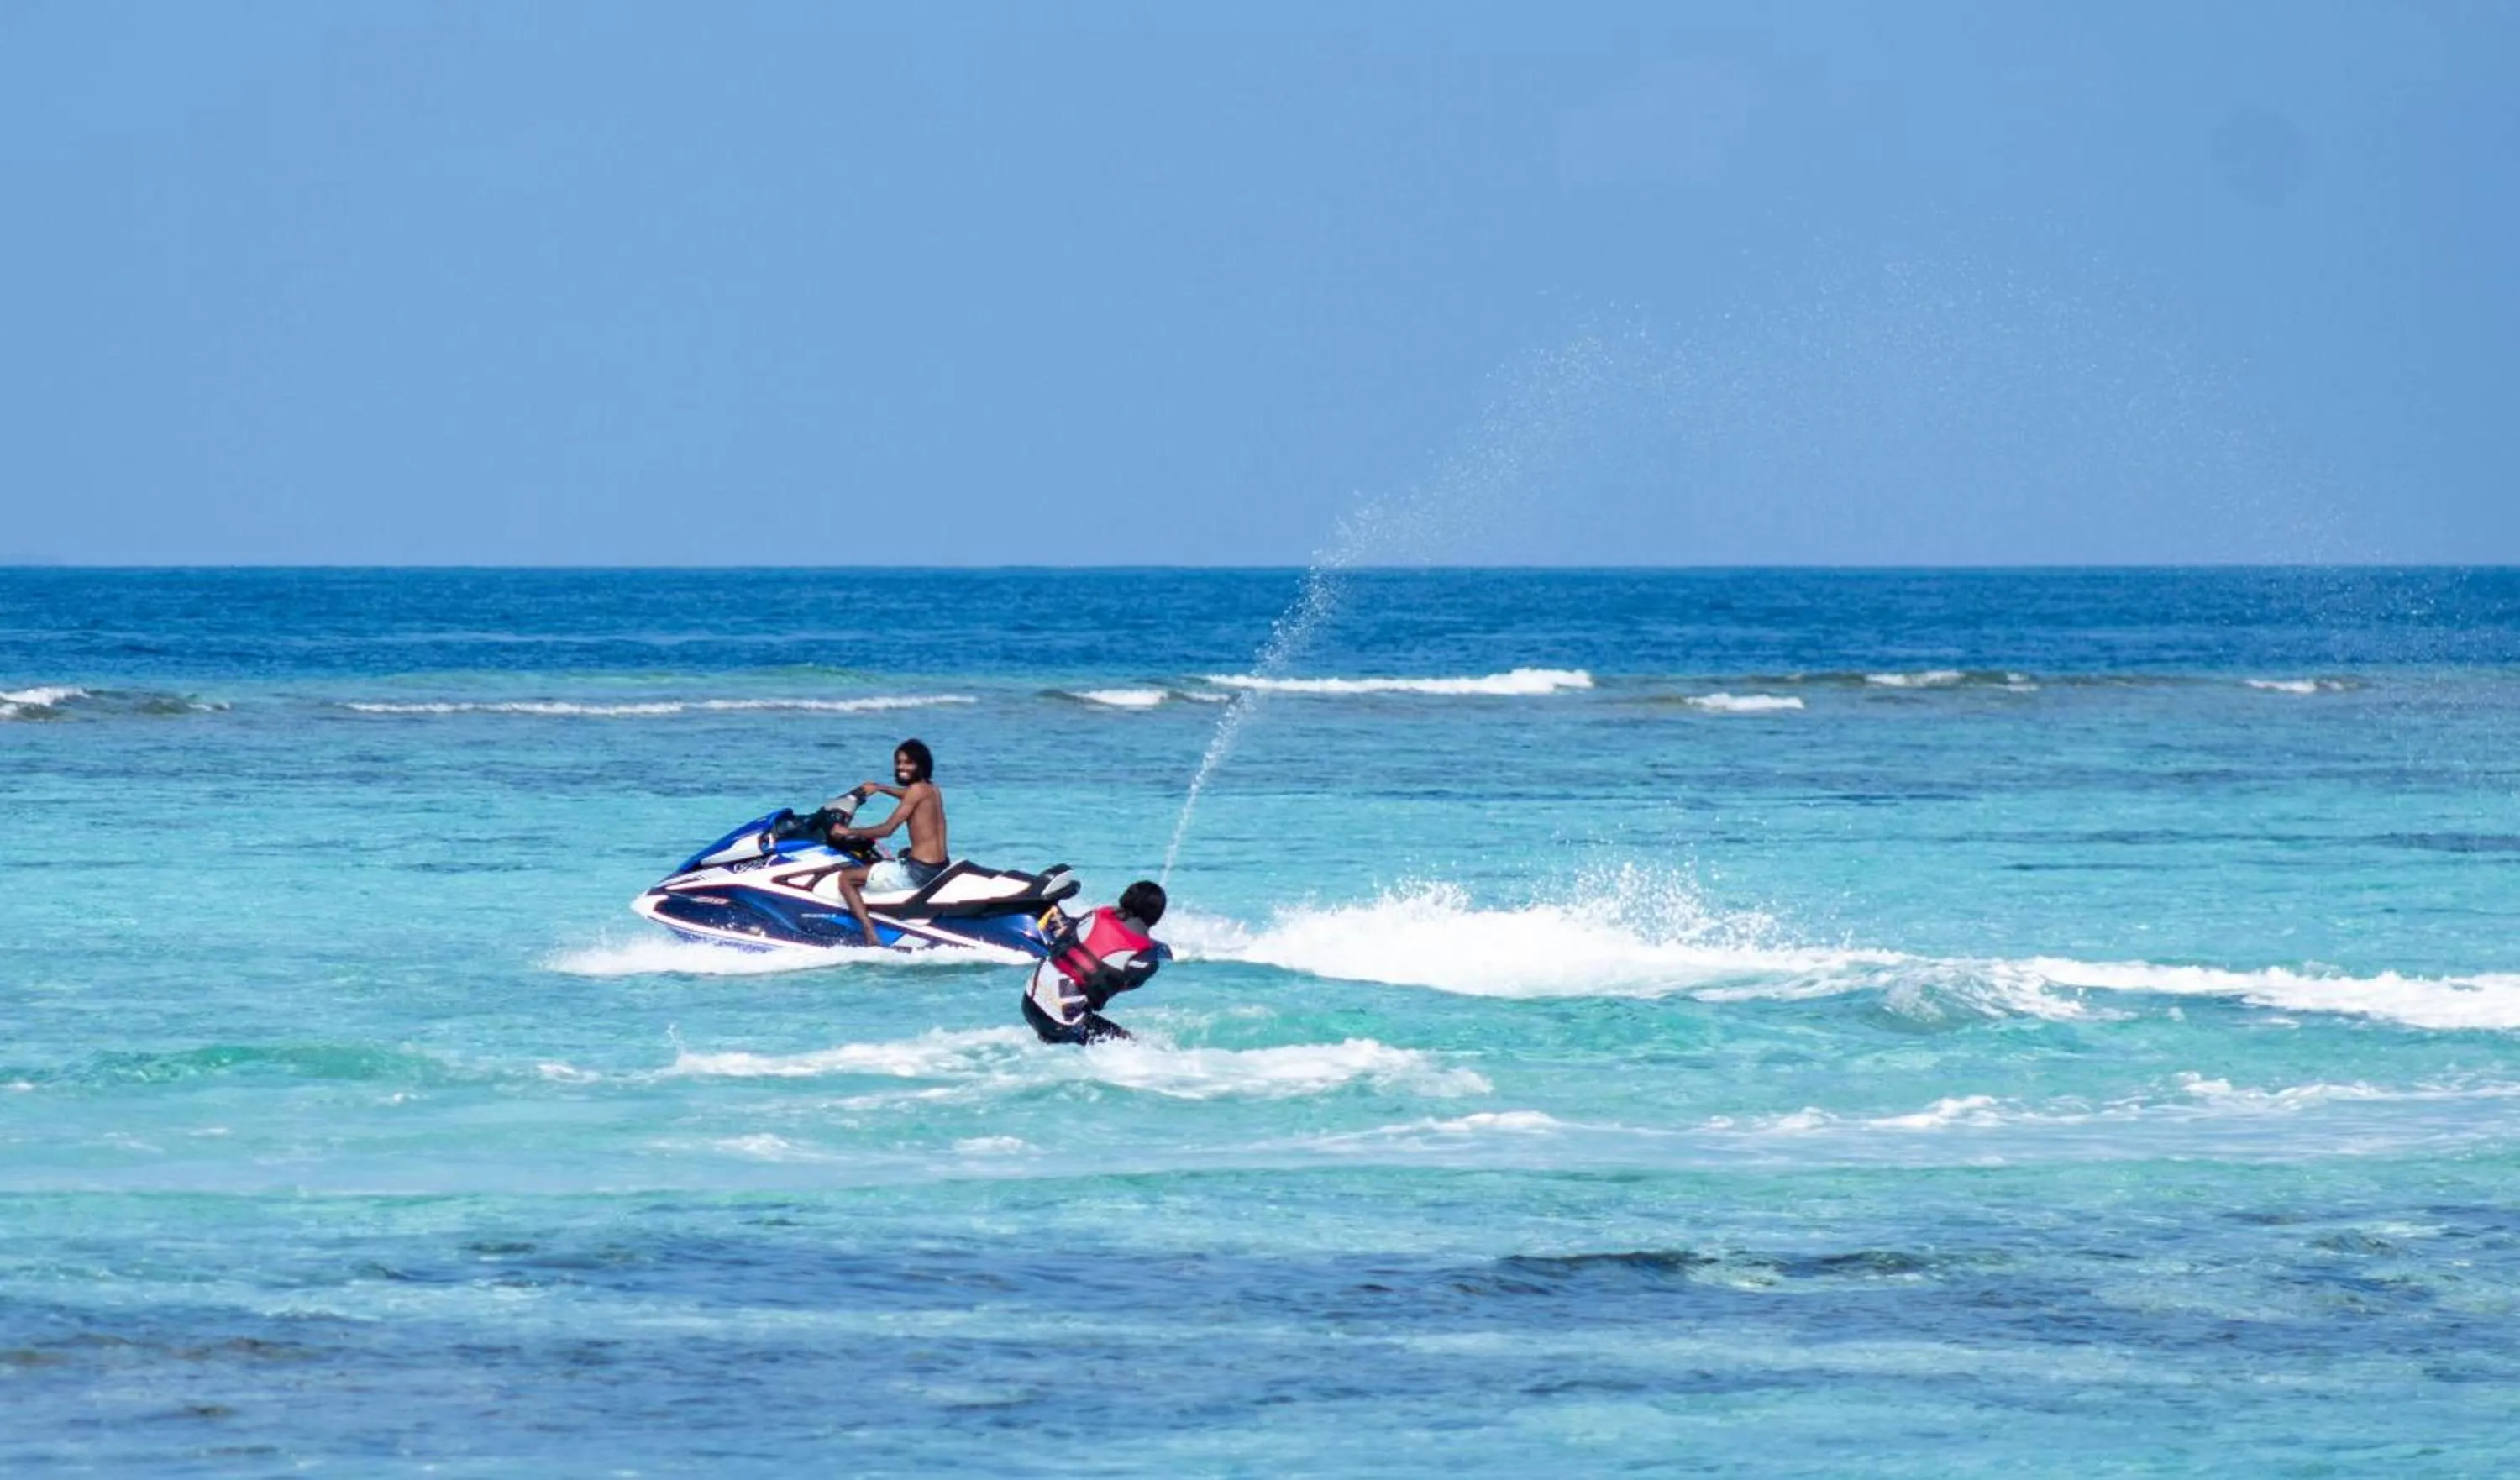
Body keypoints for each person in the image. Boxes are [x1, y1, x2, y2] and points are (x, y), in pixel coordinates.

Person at [826, 738, 948, 947]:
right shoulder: (931, 789)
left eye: (908, 763)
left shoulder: (915, 791)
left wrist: (848, 831)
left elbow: (886, 830)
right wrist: (880, 788)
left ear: (921, 764)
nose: (901, 767)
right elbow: (908, 795)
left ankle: (870, 935)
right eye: (899, 762)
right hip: (939, 868)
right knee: (902, 853)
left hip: (918, 872)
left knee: (846, 878)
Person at [1024, 880, 1170, 1044]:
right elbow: (1123, 985)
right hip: (1059, 1023)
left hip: (1029, 999)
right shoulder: (1144, 957)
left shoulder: (1098, 914)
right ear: (1157, 916)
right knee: (1130, 1044)